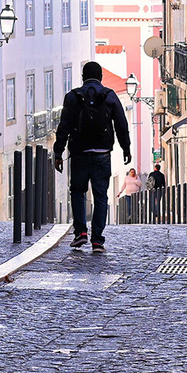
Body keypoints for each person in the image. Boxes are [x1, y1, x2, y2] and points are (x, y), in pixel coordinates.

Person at [52, 61, 131, 253]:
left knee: (78, 191)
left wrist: (58, 152)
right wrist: (126, 148)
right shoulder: (110, 95)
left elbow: (64, 127)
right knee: (100, 196)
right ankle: (97, 240)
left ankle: (80, 232)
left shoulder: (72, 97)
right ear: (101, 77)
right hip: (102, 154)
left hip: (79, 153)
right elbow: (121, 124)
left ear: (82, 77)